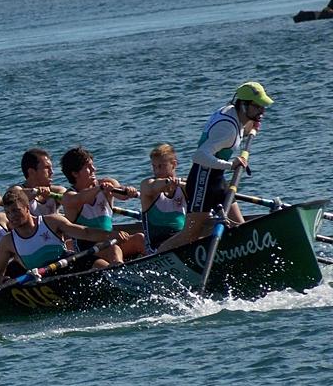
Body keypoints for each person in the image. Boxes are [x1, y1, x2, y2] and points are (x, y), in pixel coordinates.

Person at [158, 82, 271, 252]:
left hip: (217, 180)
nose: (262, 111)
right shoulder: (227, 128)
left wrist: (250, 127)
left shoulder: (234, 112)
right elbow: (199, 156)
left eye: (263, 106)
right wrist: (230, 164)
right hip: (202, 182)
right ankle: (157, 258)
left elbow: (233, 135)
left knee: (239, 225)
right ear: (243, 105)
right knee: (189, 235)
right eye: (257, 107)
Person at [0, 188, 131, 285]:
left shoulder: (52, 221)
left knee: (102, 267)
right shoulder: (8, 241)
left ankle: (123, 280)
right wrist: (1, 280)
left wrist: (111, 235)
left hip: (68, 263)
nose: (12, 216)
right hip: (42, 279)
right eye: (8, 213)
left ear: (27, 208)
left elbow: (85, 232)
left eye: (16, 210)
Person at [60, 146, 146, 260]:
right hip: (87, 252)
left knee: (140, 238)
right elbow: (81, 198)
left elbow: (122, 194)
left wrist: (128, 191)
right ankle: (119, 267)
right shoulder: (69, 197)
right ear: (75, 173)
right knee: (113, 250)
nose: (94, 169)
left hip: (110, 241)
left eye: (93, 165)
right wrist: (99, 188)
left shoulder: (107, 183)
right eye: (88, 167)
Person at [140, 144, 186, 253]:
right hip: (156, 247)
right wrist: (168, 182)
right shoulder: (147, 184)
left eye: (161, 166)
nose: (156, 171)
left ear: (174, 164)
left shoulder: (184, 186)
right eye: (154, 166)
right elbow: (152, 187)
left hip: (182, 239)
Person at [18, 148, 66, 216]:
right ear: (31, 172)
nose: (52, 172)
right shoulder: (18, 190)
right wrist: (37, 192)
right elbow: (14, 196)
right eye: (47, 168)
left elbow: (68, 199)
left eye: (51, 168)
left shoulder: (57, 191)